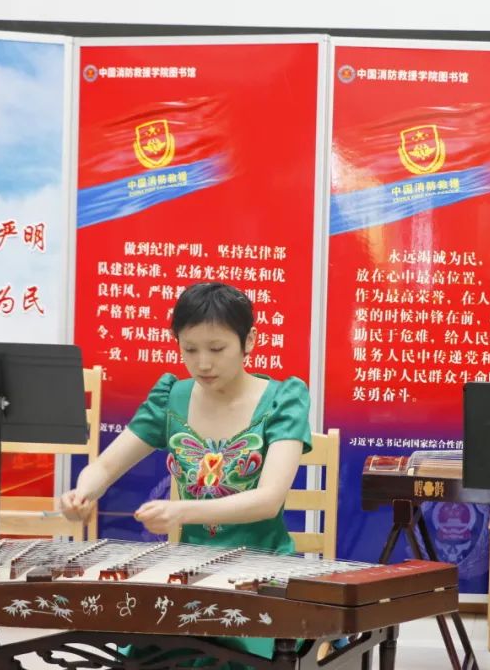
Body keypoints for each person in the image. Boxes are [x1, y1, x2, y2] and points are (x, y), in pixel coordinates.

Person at [59, 282, 311, 667]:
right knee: (147, 654)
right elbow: (106, 466)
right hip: (190, 574)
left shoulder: (282, 400)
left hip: (262, 573)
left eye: (217, 349)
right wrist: (82, 493)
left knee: (226, 656)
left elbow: (268, 500)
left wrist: (181, 511)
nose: (203, 364)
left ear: (249, 340)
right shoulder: (171, 398)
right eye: (190, 349)